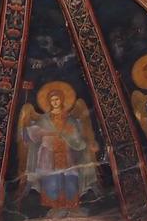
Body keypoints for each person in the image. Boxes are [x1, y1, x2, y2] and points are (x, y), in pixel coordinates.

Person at [18, 81, 98, 211]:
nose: (55, 102)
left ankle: (72, 208)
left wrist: (75, 138)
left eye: (57, 99)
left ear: (62, 100)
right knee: (51, 181)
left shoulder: (70, 119)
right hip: (48, 155)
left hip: (67, 155)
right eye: (52, 99)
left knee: (70, 182)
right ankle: (54, 209)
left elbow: (77, 138)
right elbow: (32, 133)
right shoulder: (44, 119)